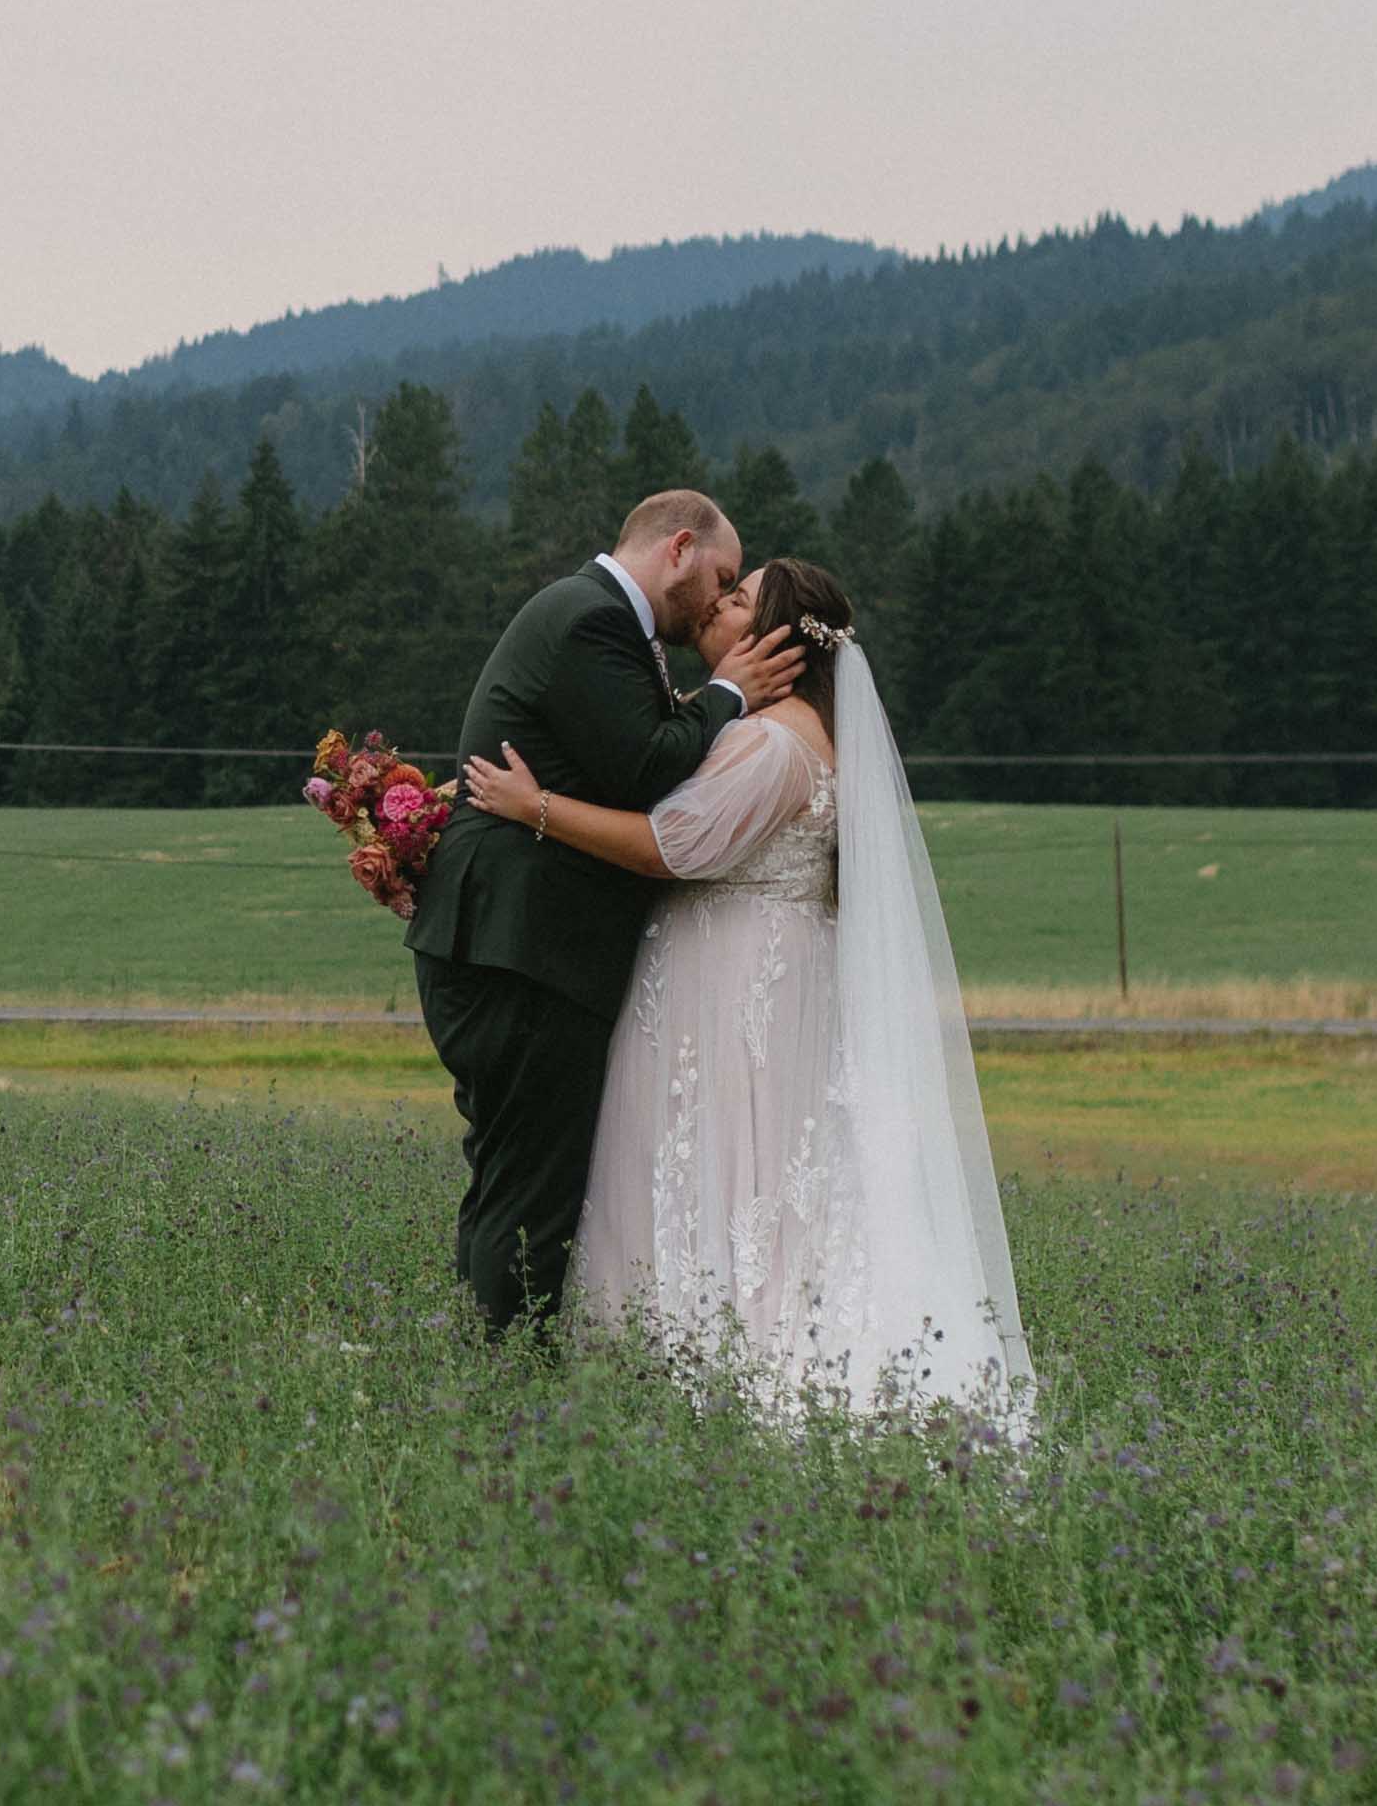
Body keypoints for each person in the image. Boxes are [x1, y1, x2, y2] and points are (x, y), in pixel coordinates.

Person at [455, 557, 1033, 1437]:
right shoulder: (788, 732)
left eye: (735, 601)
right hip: (754, 974)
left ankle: (721, 1361)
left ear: (772, 642)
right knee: (744, 1169)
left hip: (733, 990)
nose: (716, 609)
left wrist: (535, 807)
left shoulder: (773, 743)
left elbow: (669, 845)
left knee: (727, 1165)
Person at [404, 489, 798, 1331]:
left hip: (506, 943)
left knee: (510, 1172)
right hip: (525, 950)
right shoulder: (592, 620)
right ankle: (509, 1379)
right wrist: (725, 693)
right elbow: (648, 768)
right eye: (722, 577)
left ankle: (484, 1363)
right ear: (680, 549)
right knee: (533, 1192)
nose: (721, 598)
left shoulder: (594, 617)